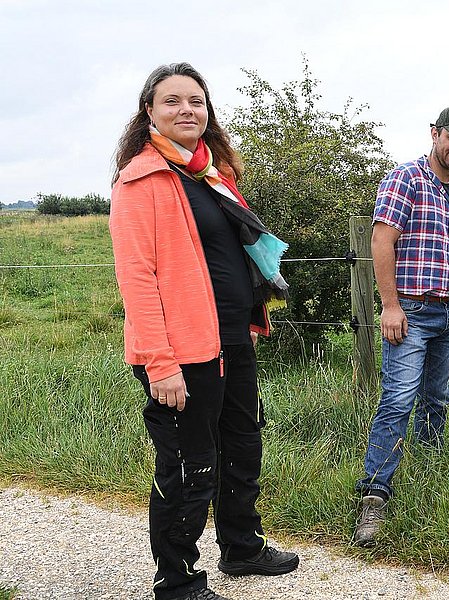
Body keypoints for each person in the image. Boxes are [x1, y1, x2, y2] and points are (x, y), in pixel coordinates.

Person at [110, 62, 298, 600]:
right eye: (172, 101)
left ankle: (241, 548)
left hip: (232, 340)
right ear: (149, 112)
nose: (187, 110)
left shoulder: (211, 173)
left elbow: (230, 251)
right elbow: (138, 281)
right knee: (190, 465)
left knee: (242, 447)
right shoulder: (139, 182)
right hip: (180, 353)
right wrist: (160, 364)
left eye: (196, 101)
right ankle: (177, 579)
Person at [352, 105, 449, 547]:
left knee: (438, 399)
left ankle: (428, 478)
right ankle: (375, 495)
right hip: (411, 310)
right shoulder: (405, 178)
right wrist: (390, 306)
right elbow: (381, 239)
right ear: (435, 133)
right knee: (398, 399)